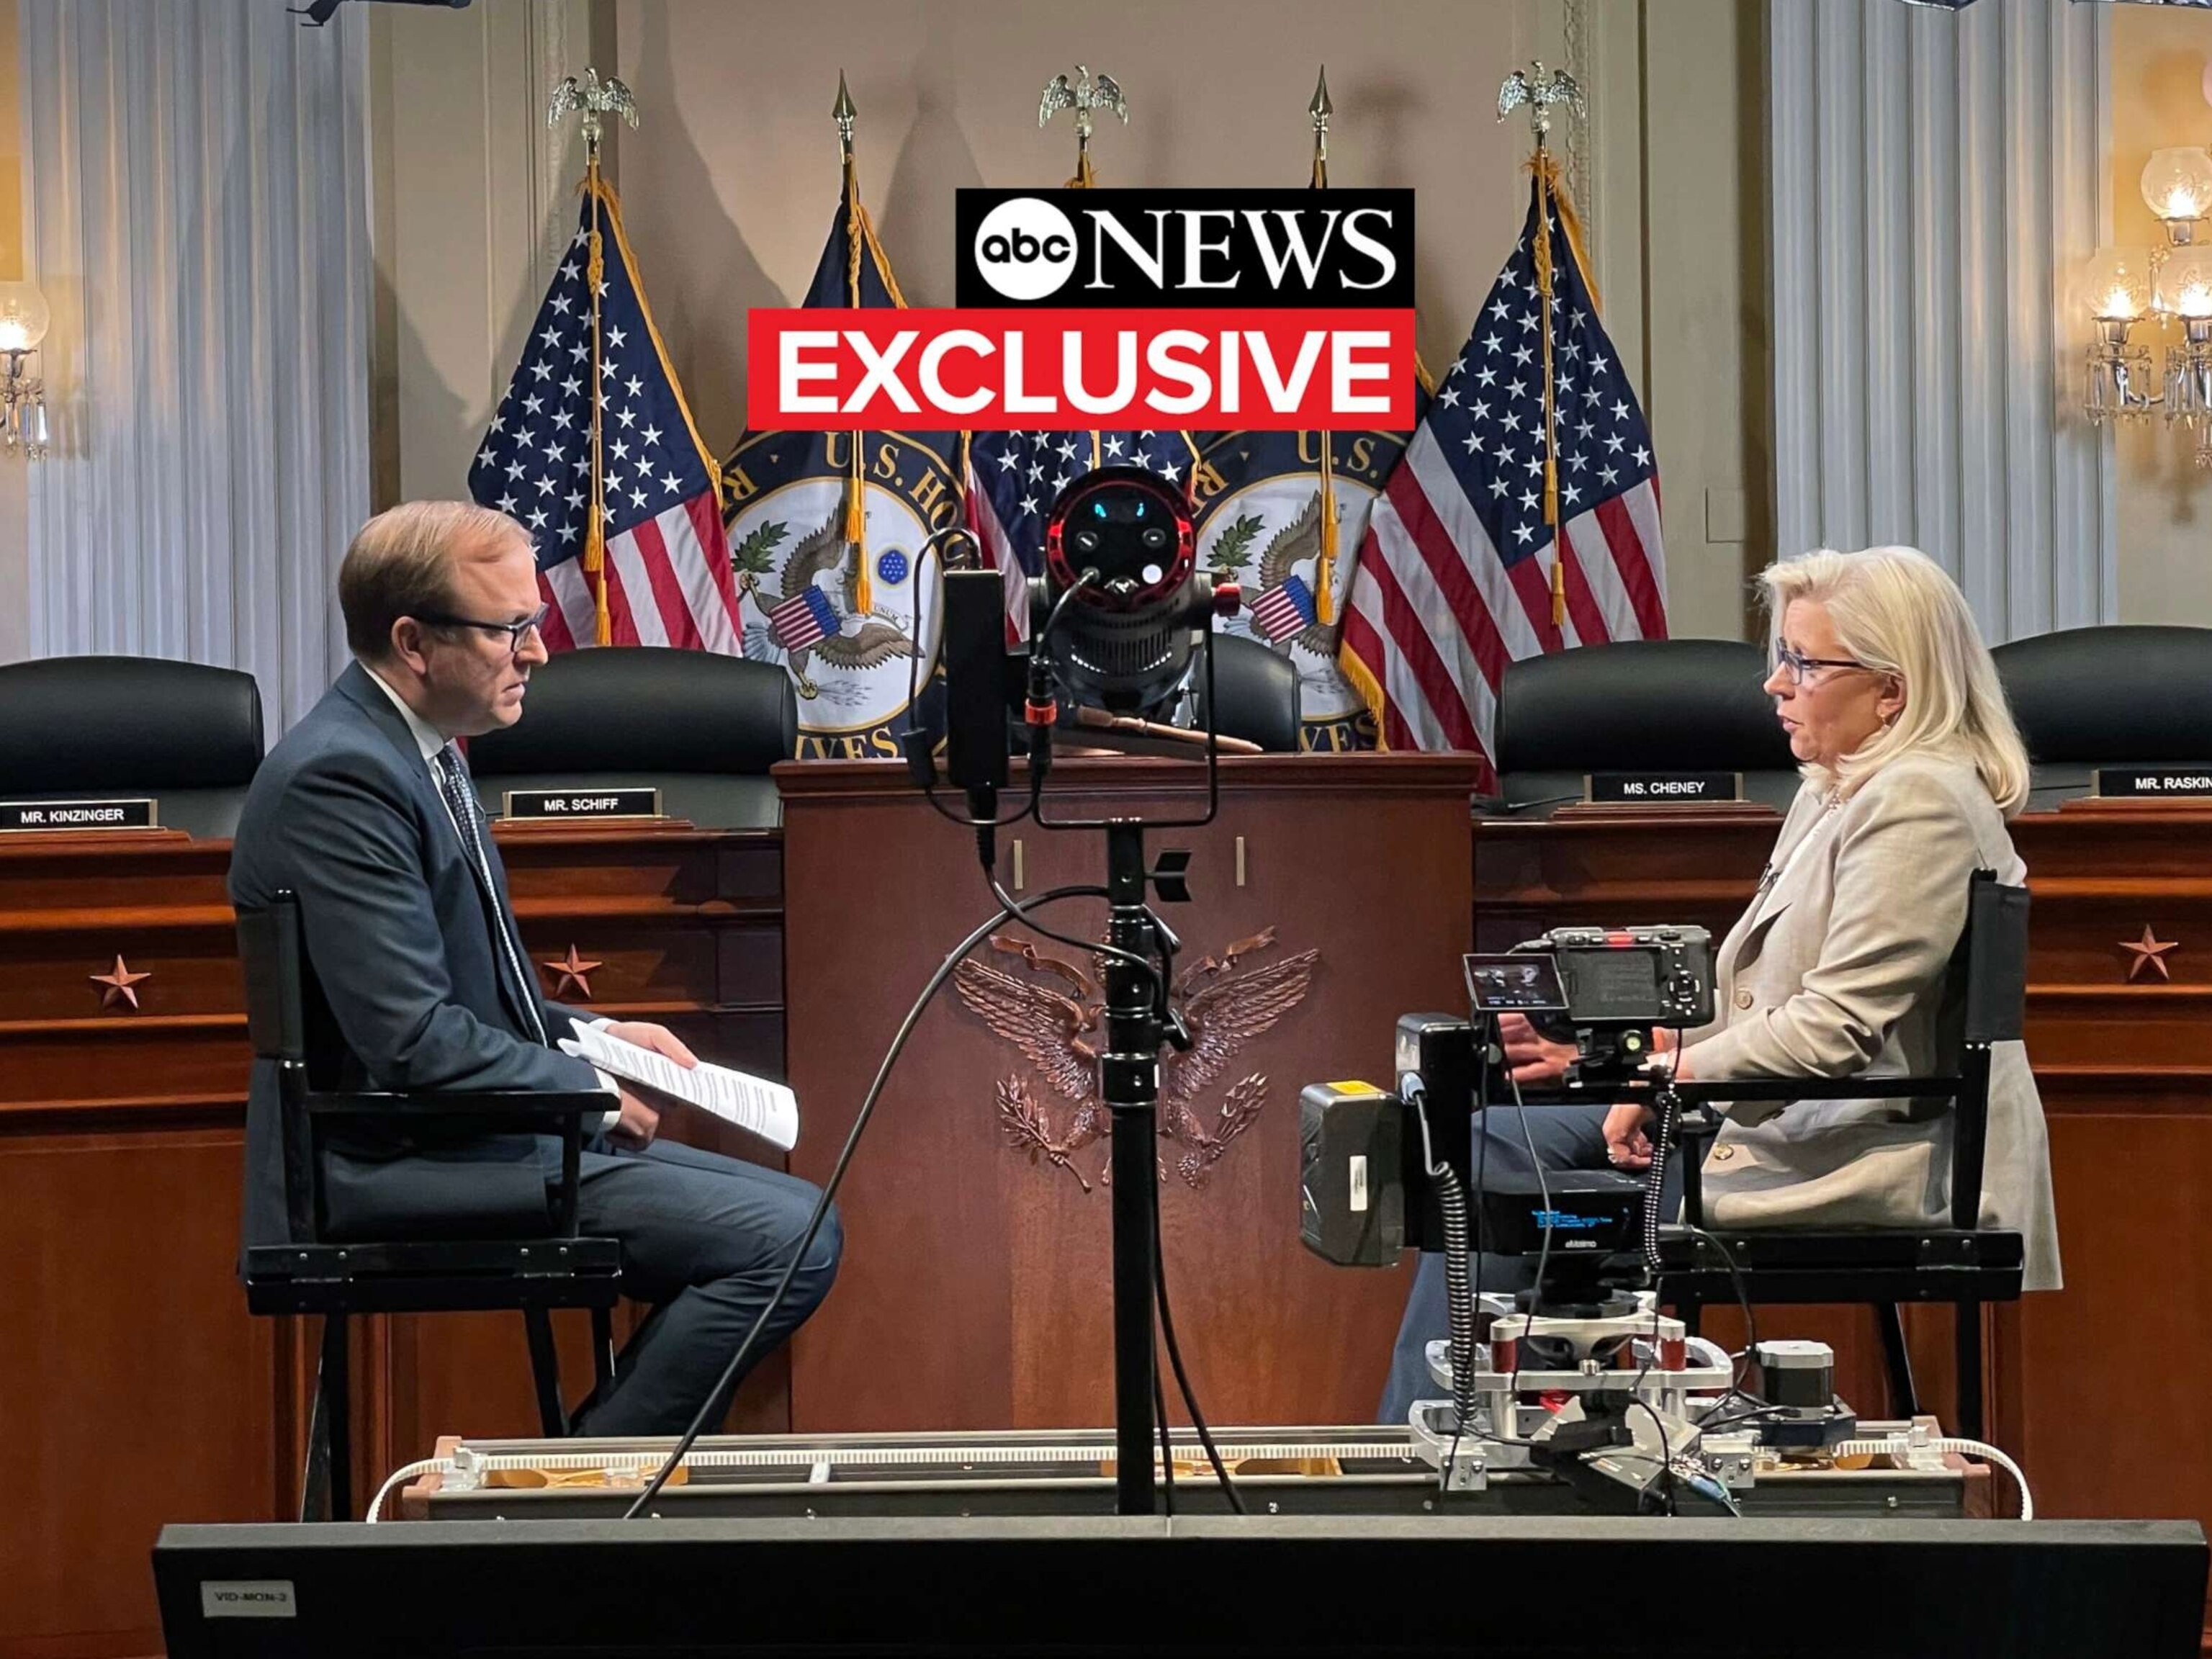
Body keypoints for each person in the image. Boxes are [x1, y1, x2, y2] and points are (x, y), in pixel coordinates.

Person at [1380, 545, 2060, 1421]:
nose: (1777, 684)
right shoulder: (1836, 787)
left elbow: (1835, 1029)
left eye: (1805, 663)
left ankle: (1453, 1455)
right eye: (1781, 656)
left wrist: (1670, 1081)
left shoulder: (1918, 801)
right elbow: (1772, 1003)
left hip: (1868, 1153)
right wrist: (1650, 1054)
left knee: (1503, 1169)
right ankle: (1495, 1445)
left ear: (1892, 691)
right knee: (1487, 1143)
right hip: (1800, 1119)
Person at [232, 500, 840, 1435]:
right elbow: (412, 1039)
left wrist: (595, 1036)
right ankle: (575, 1497)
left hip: (464, 1136)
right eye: (512, 627)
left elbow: (468, 995)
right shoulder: (342, 779)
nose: (540, 651)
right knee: (787, 1242)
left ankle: (580, 1486)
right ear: (413, 641)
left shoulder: (419, 752)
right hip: (394, 1162)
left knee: (800, 1214)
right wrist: (588, 1088)